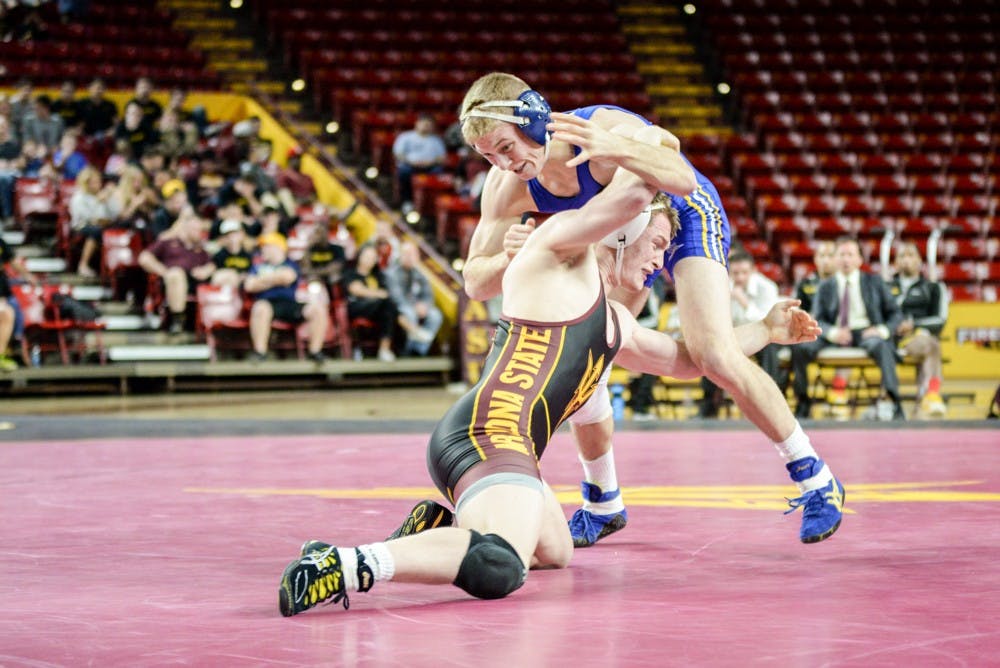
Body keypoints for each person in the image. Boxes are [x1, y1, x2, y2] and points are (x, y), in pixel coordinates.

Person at [276, 181, 822, 617]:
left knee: (554, 553)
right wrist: (644, 147)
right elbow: (615, 197)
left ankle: (436, 532)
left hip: (509, 448)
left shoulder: (615, 319)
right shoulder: (562, 258)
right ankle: (343, 563)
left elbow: (685, 360)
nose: (662, 262)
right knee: (499, 565)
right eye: (657, 243)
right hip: (488, 436)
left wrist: (764, 330)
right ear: (626, 231)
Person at [458, 72, 844, 545]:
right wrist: (509, 255)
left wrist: (615, 149)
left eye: (505, 146)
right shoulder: (504, 188)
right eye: (488, 156)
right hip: (614, 231)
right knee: (590, 356)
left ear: (534, 120)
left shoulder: (600, 126)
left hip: (682, 212)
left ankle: (817, 480)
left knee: (716, 357)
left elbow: (680, 176)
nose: (505, 162)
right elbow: (476, 281)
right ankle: (603, 501)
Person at [791, 236, 905, 420]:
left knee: (882, 345)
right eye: (842, 255)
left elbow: (896, 314)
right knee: (800, 348)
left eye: (850, 254)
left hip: (866, 332)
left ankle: (894, 402)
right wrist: (833, 333)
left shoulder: (874, 282)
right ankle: (803, 402)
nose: (846, 259)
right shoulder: (825, 286)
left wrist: (882, 330)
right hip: (834, 333)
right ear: (835, 259)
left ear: (860, 259)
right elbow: (817, 318)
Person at [699, 247, 783, 418]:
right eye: (735, 273)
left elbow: (767, 322)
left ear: (753, 270)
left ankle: (770, 405)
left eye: (744, 272)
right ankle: (708, 408)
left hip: (761, 336)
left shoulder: (767, 287)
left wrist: (743, 301)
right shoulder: (720, 286)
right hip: (732, 338)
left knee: (769, 347)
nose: (739, 278)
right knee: (709, 348)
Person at [244, 232, 327, 363]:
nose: (262, 250)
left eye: (266, 246)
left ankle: (315, 351)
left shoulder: (290, 263)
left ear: (277, 247)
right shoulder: (258, 266)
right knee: (260, 308)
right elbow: (249, 285)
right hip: (267, 302)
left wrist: (262, 281)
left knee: (317, 309)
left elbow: (288, 277)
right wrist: (276, 278)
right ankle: (260, 352)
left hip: (290, 303)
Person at [889, 242, 948, 418]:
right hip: (887, 339)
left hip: (916, 339)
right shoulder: (883, 286)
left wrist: (914, 325)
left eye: (911, 255)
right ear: (896, 263)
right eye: (902, 256)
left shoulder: (933, 287)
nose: (906, 259)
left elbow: (940, 320)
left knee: (930, 343)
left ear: (920, 261)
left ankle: (932, 395)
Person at [137, 211, 215, 334]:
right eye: (195, 229)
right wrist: (164, 272)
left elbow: (213, 264)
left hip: (195, 281)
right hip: (172, 280)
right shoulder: (168, 242)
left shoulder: (202, 248)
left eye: (200, 230)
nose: (199, 233)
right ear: (186, 227)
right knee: (176, 274)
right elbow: (144, 258)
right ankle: (177, 319)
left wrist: (207, 270)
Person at [342, 241, 399, 362]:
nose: (370, 260)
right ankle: (409, 331)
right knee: (388, 305)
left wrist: (376, 294)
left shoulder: (377, 275)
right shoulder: (350, 273)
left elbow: (386, 293)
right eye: (367, 256)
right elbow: (357, 290)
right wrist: (377, 294)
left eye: (373, 257)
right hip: (357, 307)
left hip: (379, 309)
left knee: (390, 306)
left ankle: (385, 349)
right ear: (359, 256)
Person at [386, 239, 443, 356]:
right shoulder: (392, 273)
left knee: (435, 315)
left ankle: (419, 350)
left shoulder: (420, 273)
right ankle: (406, 351)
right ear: (400, 255)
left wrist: (425, 305)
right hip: (400, 307)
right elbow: (396, 297)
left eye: (412, 254)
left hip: (418, 305)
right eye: (406, 254)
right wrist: (414, 307)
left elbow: (428, 295)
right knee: (409, 313)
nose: (409, 257)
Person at [392, 113, 447, 212]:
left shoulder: (436, 141)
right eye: (424, 124)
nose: (426, 126)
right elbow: (398, 154)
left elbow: (442, 158)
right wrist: (411, 162)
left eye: (429, 125)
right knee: (404, 172)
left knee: (439, 173)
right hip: (409, 166)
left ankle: (430, 206)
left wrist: (430, 162)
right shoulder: (405, 137)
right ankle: (407, 201)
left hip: (430, 167)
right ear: (417, 123)